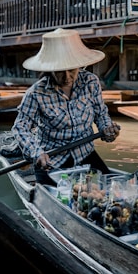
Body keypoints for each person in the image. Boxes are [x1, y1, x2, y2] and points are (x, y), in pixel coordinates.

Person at [12, 28, 120, 186]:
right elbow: (20, 127)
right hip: (51, 159)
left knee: (109, 189)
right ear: (50, 69)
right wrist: (36, 151)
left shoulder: (90, 82)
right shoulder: (36, 93)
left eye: (72, 70)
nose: (67, 77)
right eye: (61, 72)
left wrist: (108, 129)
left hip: (85, 154)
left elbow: (101, 114)